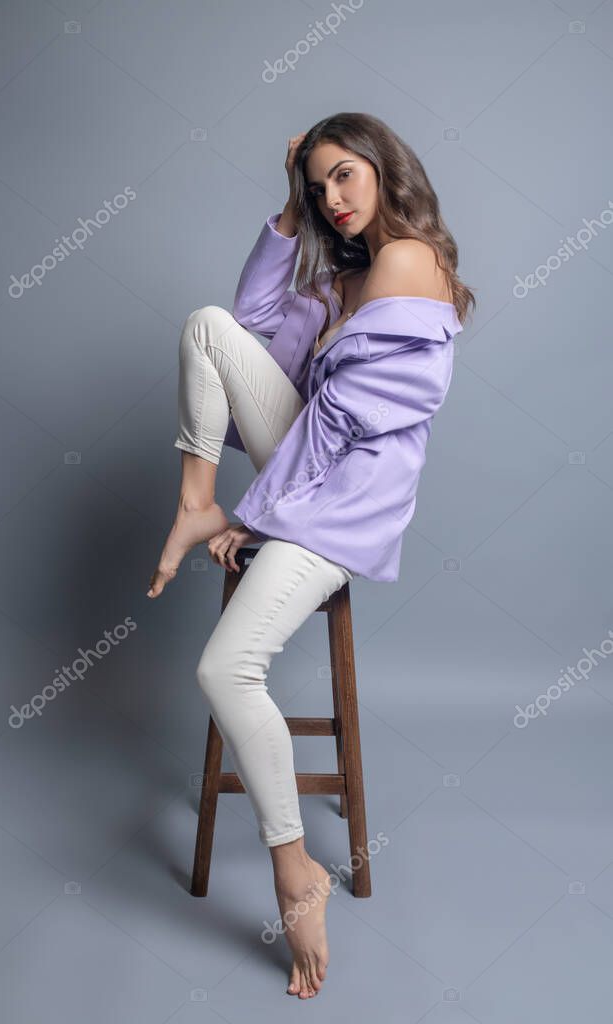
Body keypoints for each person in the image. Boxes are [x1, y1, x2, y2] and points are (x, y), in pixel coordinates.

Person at [146, 112, 476, 1000]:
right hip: (306, 475)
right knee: (208, 325)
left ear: (384, 168)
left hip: (346, 503)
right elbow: (250, 321)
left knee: (224, 671)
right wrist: (287, 209)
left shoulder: (407, 262)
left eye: (344, 177)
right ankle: (194, 503)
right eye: (318, 183)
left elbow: (343, 421)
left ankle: (295, 872)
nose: (332, 198)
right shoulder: (347, 277)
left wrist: (260, 518)